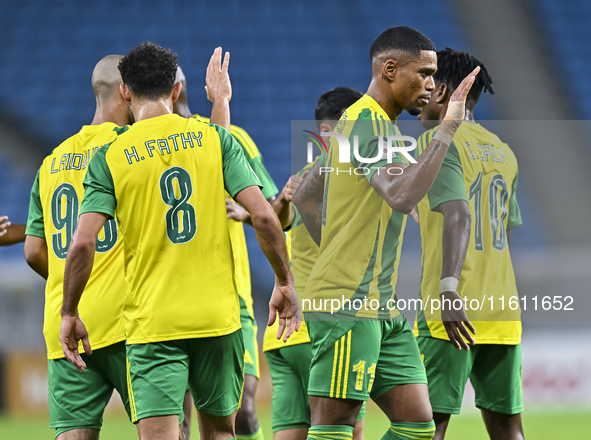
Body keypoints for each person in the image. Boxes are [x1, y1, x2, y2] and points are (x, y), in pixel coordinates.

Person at [60, 42, 299, 440]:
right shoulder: (214, 139)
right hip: (217, 320)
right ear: (175, 90)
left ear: (125, 92)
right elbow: (262, 215)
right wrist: (284, 282)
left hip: (153, 323)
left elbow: (82, 243)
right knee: (222, 433)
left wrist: (69, 311)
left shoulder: (110, 156)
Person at [293, 26, 479, 440]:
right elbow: (401, 196)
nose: (431, 86)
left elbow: (306, 197)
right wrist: (445, 131)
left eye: (434, 76)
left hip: (382, 303)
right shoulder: (365, 121)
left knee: (417, 425)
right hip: (348, 302)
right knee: (335, 426)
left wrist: (339, 242)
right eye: (424, 73)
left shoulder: (383, 129)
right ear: (390, 69)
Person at [173, 62, 290, 440]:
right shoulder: (141, 144)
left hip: (230, 295)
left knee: (242, 412)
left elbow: (273, 209)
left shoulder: (232, 137)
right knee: (181, 422)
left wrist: (246, 213)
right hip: (169, 298)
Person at [415, 47, 523, 440]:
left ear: (443, 91)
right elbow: (505, 230)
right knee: (508, 429)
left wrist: (448, 286)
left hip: (451, 309)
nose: (422, 91)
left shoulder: (441, 144)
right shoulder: (503, 152)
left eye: (428, 82)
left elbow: (459, 215)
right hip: (501, 308)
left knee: (427, 428)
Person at [23, 55, 134, 439]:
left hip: (67, 326)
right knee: (168, 429)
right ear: (126, 91)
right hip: (129, 322)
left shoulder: (51, 162)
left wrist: (73, 285)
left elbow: (33, 251)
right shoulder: (129, 149)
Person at [263, 87, 367, 440]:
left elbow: (277, 224)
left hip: (283, 337)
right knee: (346, 430)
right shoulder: (352, 175)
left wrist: (280, 202)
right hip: (328, 329)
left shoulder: (302, 178)